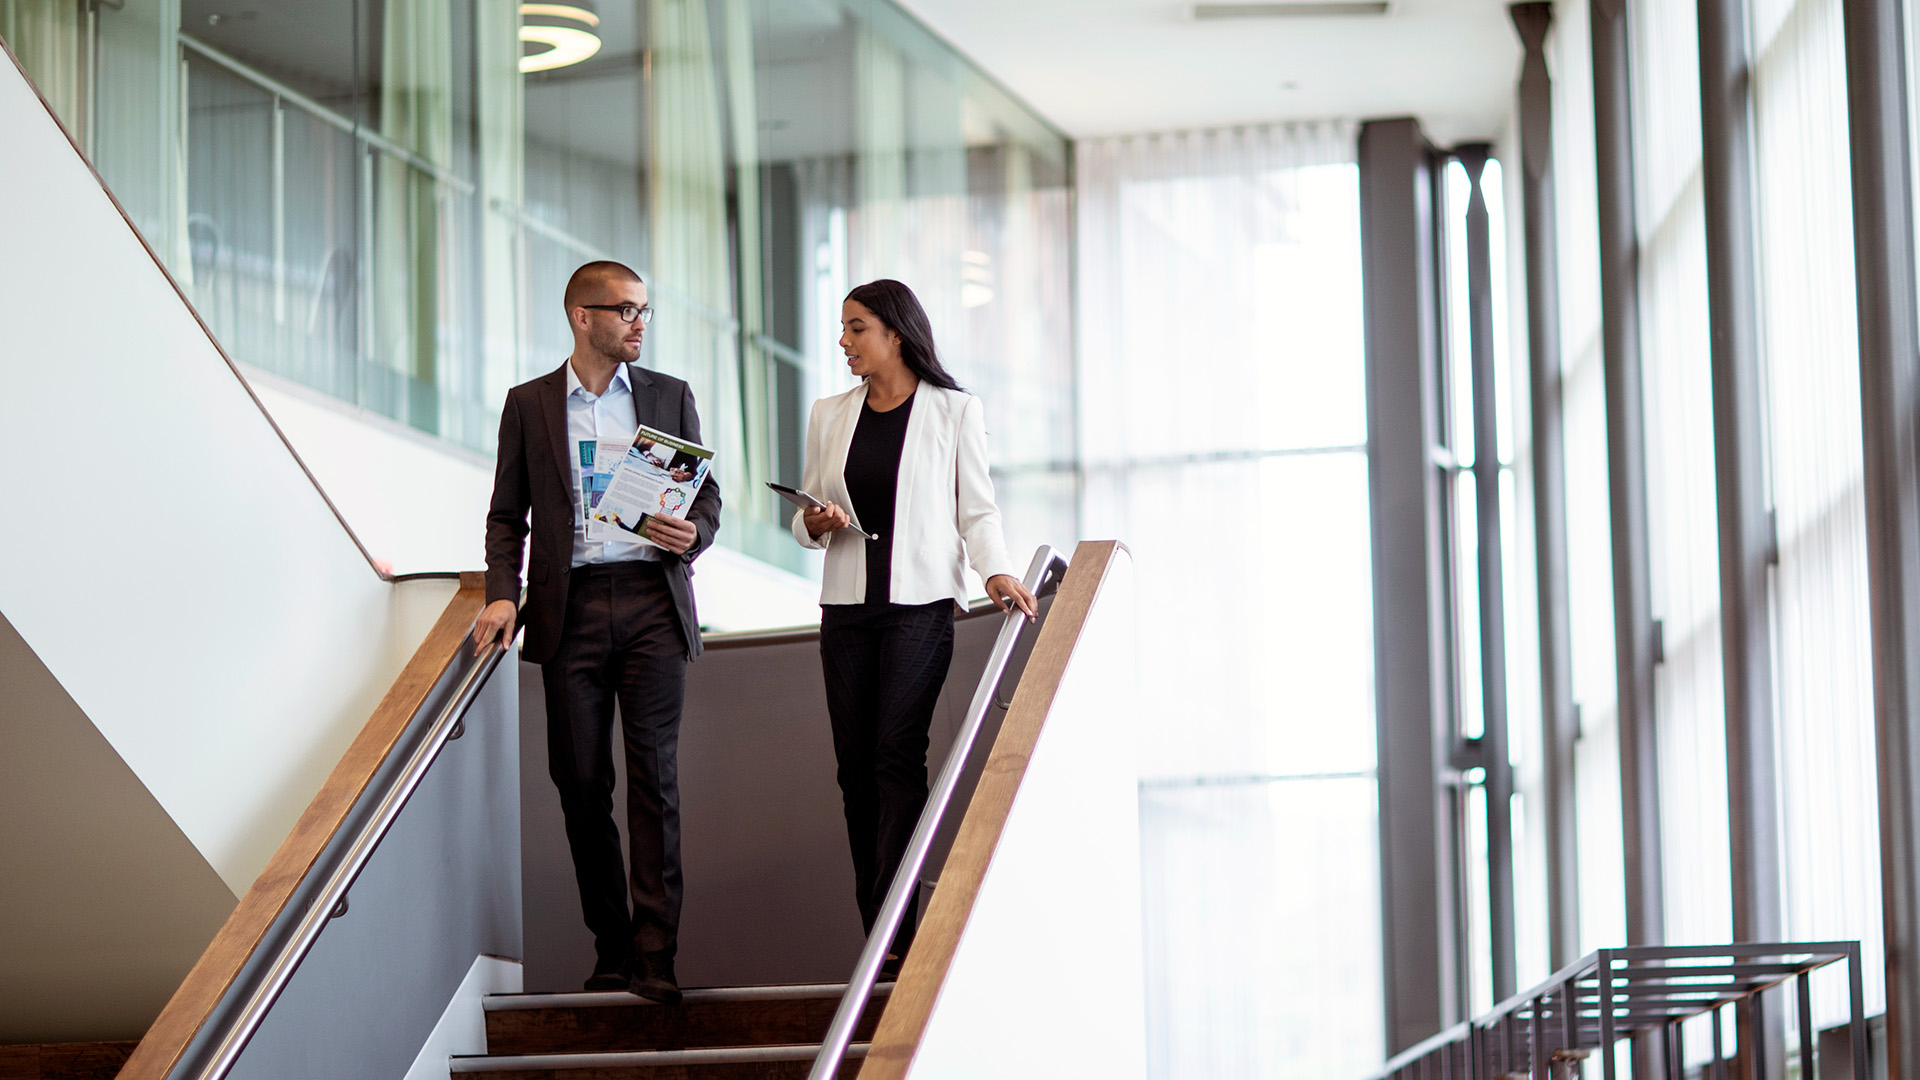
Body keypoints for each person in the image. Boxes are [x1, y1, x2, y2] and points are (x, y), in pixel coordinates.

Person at [475, 260, 722, 1004]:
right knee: (581, 785)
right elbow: (503, 517)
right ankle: (610, 946)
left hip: (651, 598)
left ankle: (656, 958)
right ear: (582, 317)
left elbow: (709, 499)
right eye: (626, 310)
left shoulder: (667, 396)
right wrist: (500, 597)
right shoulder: (528, 404)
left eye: (645, 310)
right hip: (568, 610)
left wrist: (694, 534)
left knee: (655, 783)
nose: (639, 323)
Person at [790, 278, 1038, 974]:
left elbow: (977, 510)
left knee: (896, 758)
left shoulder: (954, 410)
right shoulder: (828, 413)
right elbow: (807, 510)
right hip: (845, 609)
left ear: (896, 333)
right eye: (843, 328)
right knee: (854, 772)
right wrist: (813, 522)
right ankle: (884, 927)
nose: (844, 341)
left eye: (857, 327)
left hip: (920, 608)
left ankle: (894, 931)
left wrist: (994, 570)